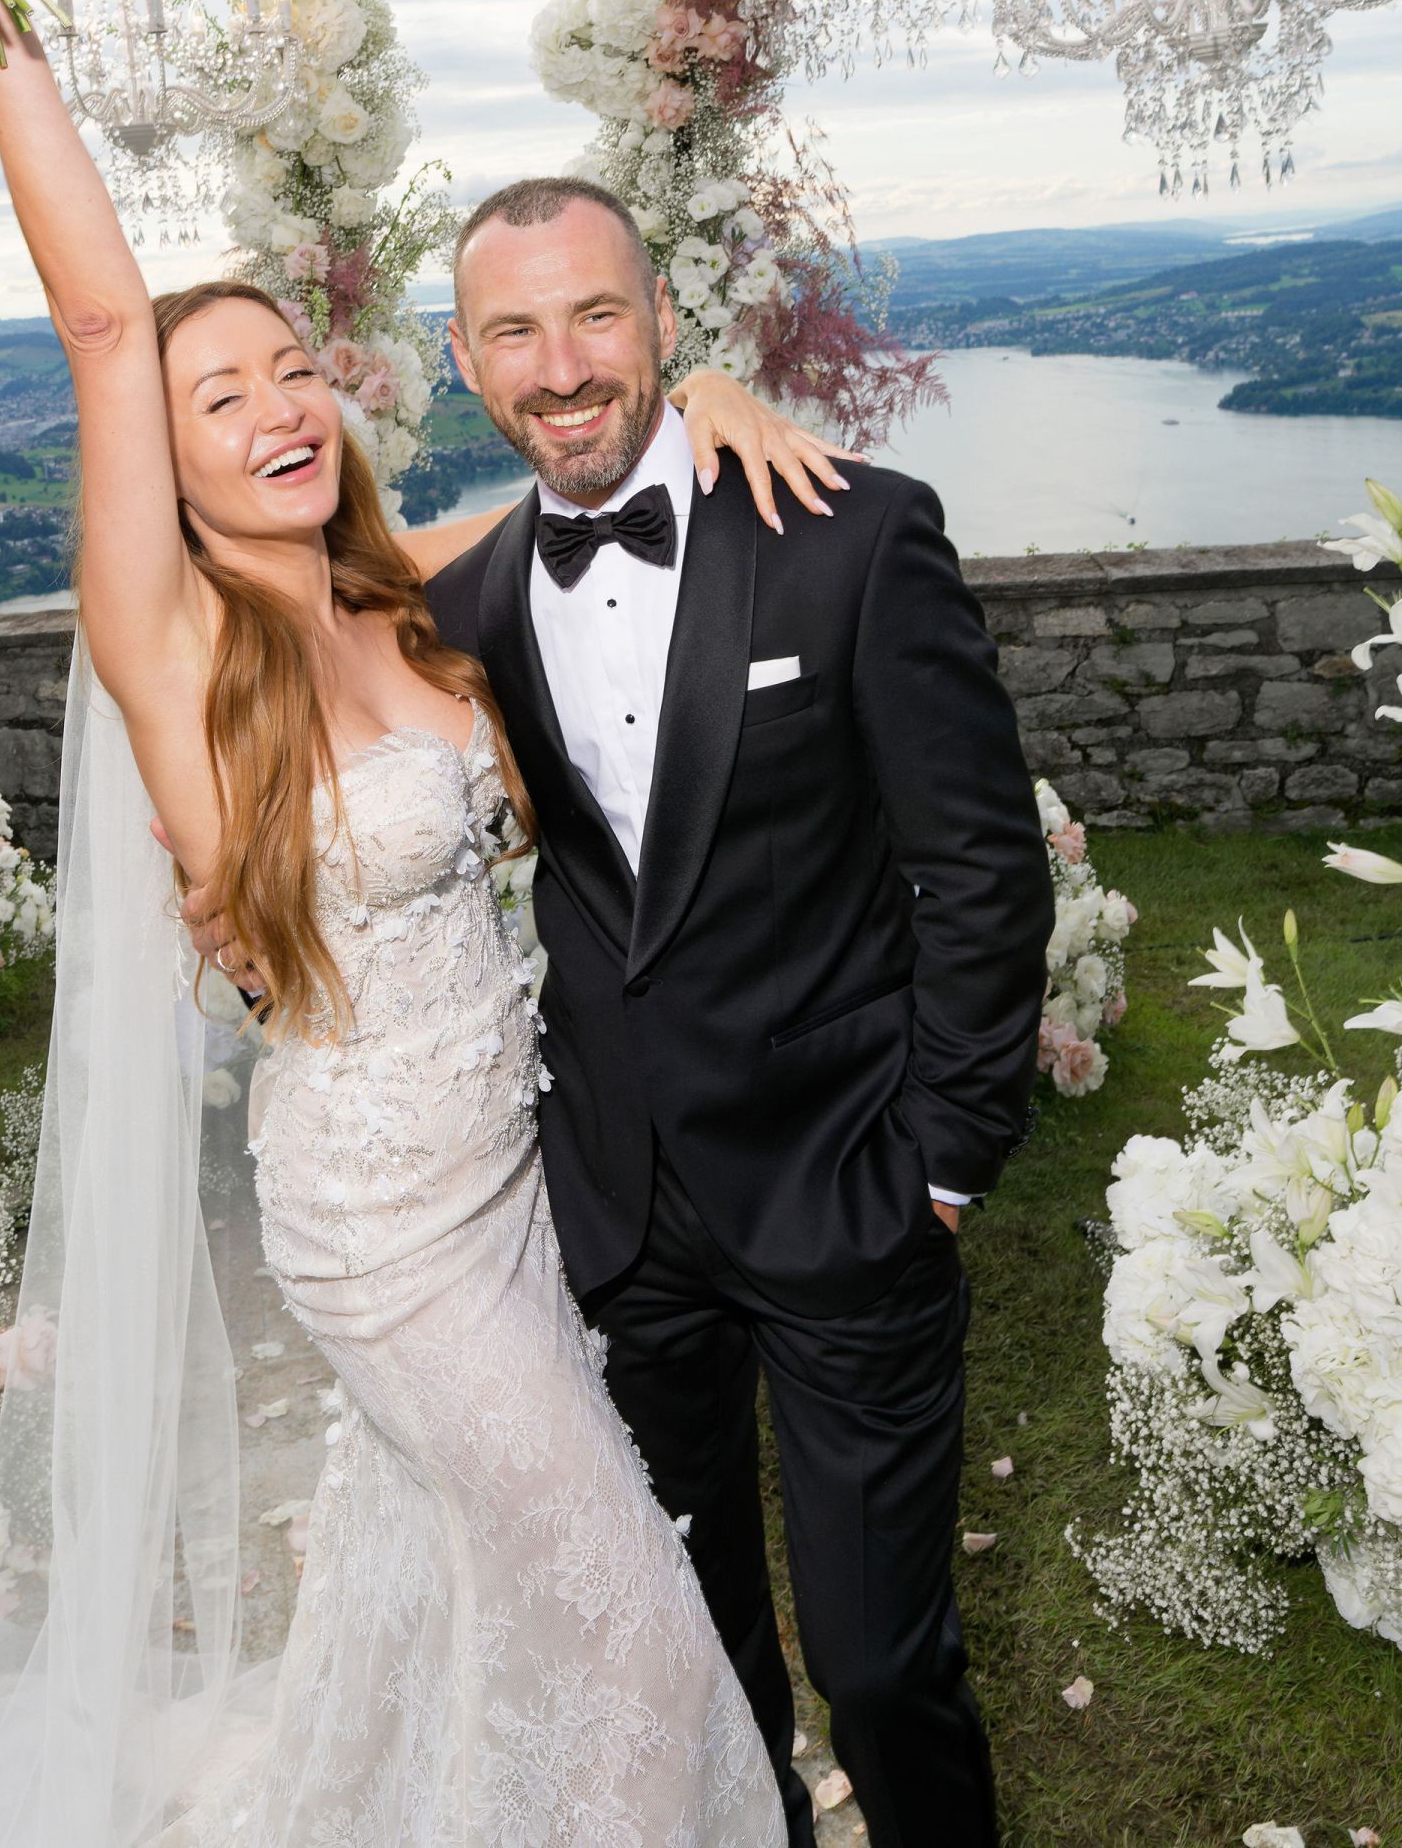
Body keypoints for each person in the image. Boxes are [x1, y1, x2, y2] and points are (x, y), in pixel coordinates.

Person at [0, 0, 851, 1848]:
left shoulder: (401, 598)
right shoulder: (166, 640)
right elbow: (97, 317)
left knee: (473, 1595)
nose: (273, 409)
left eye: (288, 371)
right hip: (382, 1225)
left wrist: (706, 399)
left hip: (520, 1186)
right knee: (628, 1619)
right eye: (216, 396)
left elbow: (586, 487)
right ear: (158, 463)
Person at [418, 178, 1056, 1848]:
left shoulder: (851, 537)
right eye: (514, 331)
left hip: (850, 1188)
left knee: (883, 1664)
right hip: (621, 1222)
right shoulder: (463, 606)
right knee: (693, 1657)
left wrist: (943, 1158)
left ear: (663, 320)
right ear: (466, 363)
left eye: (597, 315)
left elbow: (981, 868)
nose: (563, 366)